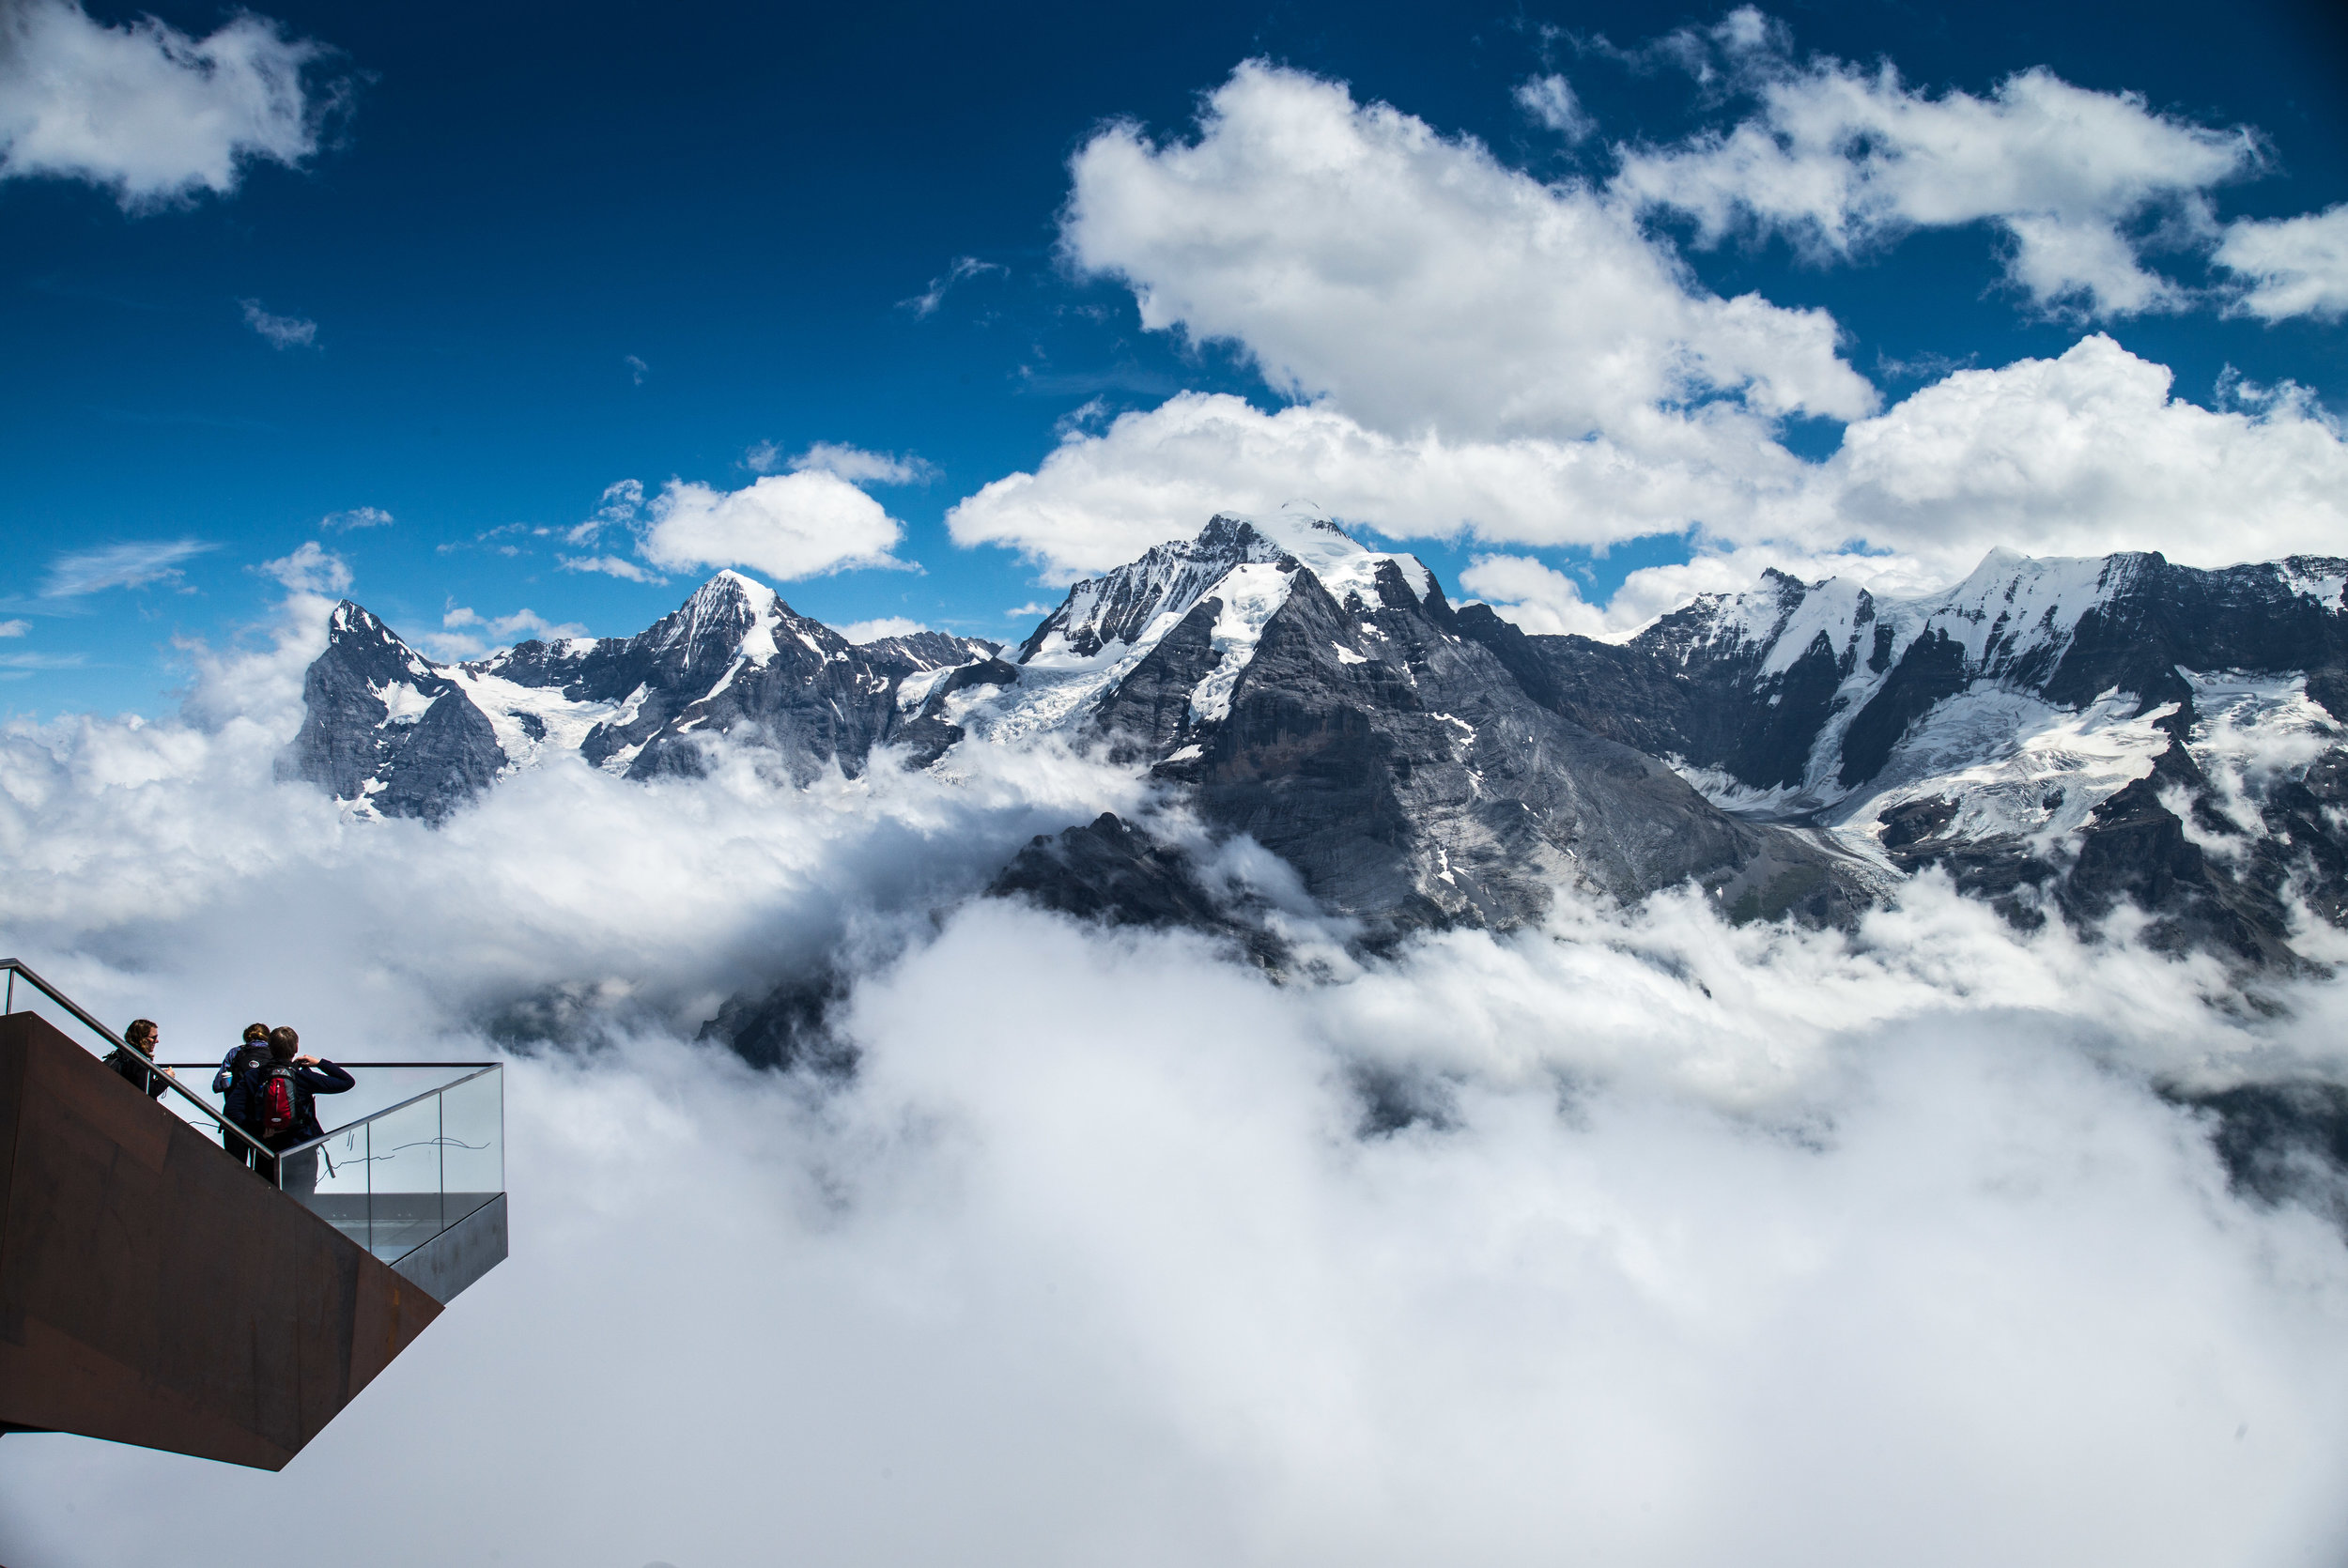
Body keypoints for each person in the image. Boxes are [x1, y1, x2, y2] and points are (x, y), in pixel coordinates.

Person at [228, 1026, 354, 1197]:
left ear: (270, 1048)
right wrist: (319, 1063)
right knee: (301, 1209)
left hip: (267, 1151)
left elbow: (231, 1111)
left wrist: (258, 1131)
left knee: (266, 1206)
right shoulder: (303, 1077)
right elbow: (346, 1081)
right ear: (295, 1049)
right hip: (301, 1152)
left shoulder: (255, 1076)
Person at [212, 1023, 275, 1162]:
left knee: (235, 1167)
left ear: (247, 1037)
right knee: (263, 1173)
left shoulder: (235, 1053)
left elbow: (217, 1085)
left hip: (236, 1118)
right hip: (265, 1121)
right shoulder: (274, 1055)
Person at [103, 1018, 176, 1100]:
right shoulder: (140, 1061)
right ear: (142, 1038)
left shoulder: (120, 1054)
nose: (157, 1041)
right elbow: (148, 1093)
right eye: (154, 1037)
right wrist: (166, 1078)